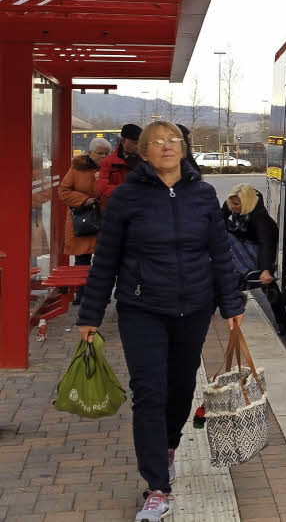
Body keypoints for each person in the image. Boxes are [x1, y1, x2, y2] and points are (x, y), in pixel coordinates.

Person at [76, 121, 244, 522]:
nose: (167, 147)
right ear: (144, 153)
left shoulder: (203, 195)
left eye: (173, 141)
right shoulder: (125, 199)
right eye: (157, 142)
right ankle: (157, 487)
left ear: (184, 149)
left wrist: (231, 304)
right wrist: (90, 315)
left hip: (194, 307)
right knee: (149, 392)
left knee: (181, 386)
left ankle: (169, 444)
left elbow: (220, 253)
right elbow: (107, 261)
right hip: (142, 308)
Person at [221, 183, 286, 334]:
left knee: (268, 286)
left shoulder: (260, 218)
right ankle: (239, 287)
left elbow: (266, 246)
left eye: (237, 205)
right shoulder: (232, 203)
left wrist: (266, 269)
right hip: (243, 245)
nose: (233, 208)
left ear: (246, 202)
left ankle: (282, 322)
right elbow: (219, 219)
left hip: (258, 249)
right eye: (231, 204)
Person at [58, 137, 112, 303]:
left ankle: (101, 295)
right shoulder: (77, 168)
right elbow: (63, 191)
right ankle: (81, 294)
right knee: (82, 259)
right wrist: (83, 200)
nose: (104, 157)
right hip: (84, 220)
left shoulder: (110, 169)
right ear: (89, 153)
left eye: (106, 153)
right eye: (100, 154)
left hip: (105, 219)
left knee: (104, 260)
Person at [96, 123, 141, 206]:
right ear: (123, 141)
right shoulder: (108, 162)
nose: (138, 146)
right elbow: (102, 188)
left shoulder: (148, 161)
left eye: (141, 143)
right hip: (117, 211)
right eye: (135, 143)